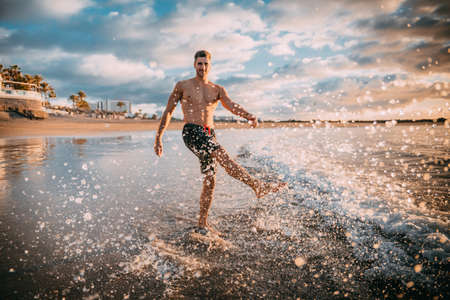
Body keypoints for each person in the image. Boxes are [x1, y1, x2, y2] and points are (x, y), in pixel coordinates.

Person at [154, 50, 286, 234]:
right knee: (224, 156)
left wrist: (249, 115)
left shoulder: (217, 89)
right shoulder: (183, 86)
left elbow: (231, 105)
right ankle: (257, 186)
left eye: (206, 64)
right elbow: (168, 111)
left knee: (210, 179)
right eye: (199, 63)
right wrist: (159, 137)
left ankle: (202, 224)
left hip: (209, 133)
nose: (202, 67)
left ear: (210, 65)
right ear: (194, 65)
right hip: (192, 131)